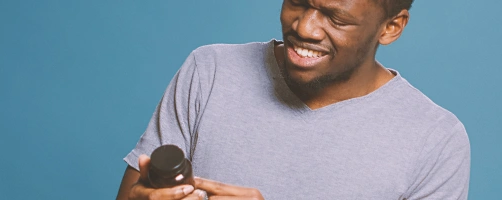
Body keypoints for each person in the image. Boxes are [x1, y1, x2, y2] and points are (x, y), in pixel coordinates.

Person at [116, 0, 470, 199]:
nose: (305, 27)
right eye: (298, 2)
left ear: (390, 27)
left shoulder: (435, 140)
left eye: (335, 18)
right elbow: (133, 194)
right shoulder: (210, 70)